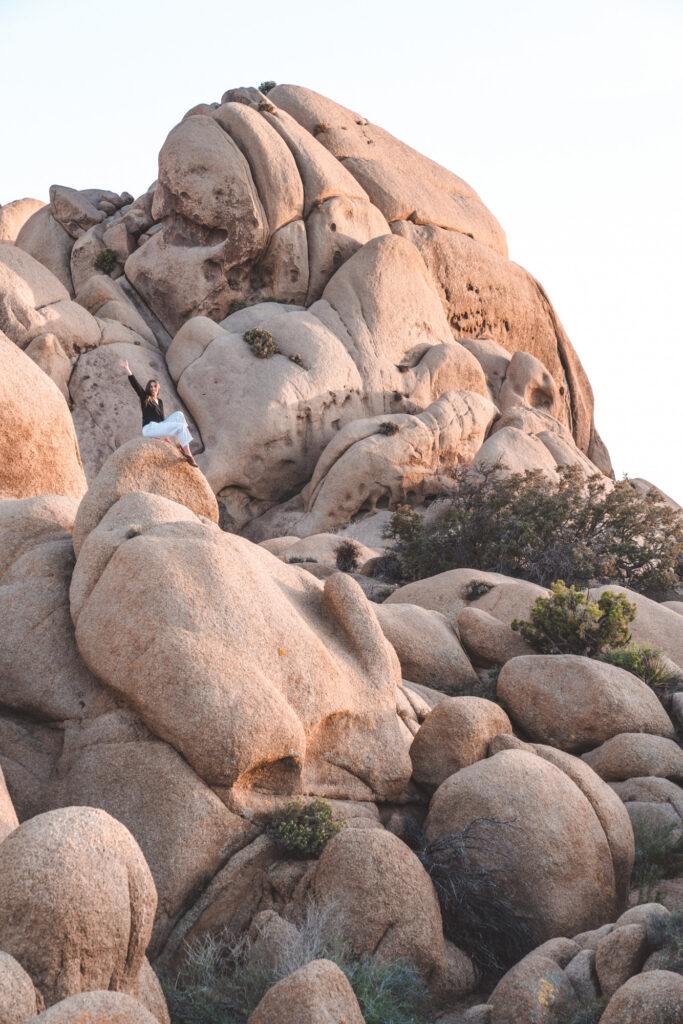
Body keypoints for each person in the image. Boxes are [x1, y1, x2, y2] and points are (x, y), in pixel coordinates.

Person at [118, 359, 199, 468]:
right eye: (151, 386)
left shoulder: (159, 401)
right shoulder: (145, 398)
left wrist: (167, 440)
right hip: (149, 428)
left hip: (159, 426)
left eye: (155, 386)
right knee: (180, 427)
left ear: (158, 388)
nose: (153, 388)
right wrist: (127, 368)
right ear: (148, 388)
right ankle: (188, 454)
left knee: (179, 415)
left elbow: (162, 419)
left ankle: (180, 444)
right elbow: (135, 384)